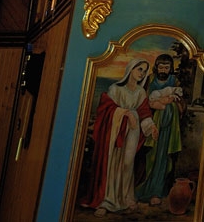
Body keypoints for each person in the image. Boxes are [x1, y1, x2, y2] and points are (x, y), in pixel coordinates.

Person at [79, 58, 156, 216]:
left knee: (128, 163)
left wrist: (151, 127)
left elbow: (144, 113)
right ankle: (107, 201)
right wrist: (126, 113)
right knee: (112, 162)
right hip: (115, 130)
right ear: (130, 69)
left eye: (144, 71)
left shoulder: (141, 92)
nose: (142, 73)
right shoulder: (115, 89)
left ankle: (126, 197)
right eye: (139, 69)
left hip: (133, 130)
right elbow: (106, 108)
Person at [136, 54, 184, 205]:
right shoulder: (150, 80)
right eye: (161, 67)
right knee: (149, 156)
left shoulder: (174, 81)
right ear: (156, 67)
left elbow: (181, 103)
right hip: (151, 124)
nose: (163, 70)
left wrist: (171, 103)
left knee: (163, 158)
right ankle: (144, 188)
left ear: (171, 68)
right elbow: (142, 100)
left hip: (169, 129)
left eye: (166, 67)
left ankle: (158, 191)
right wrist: (157, 104)